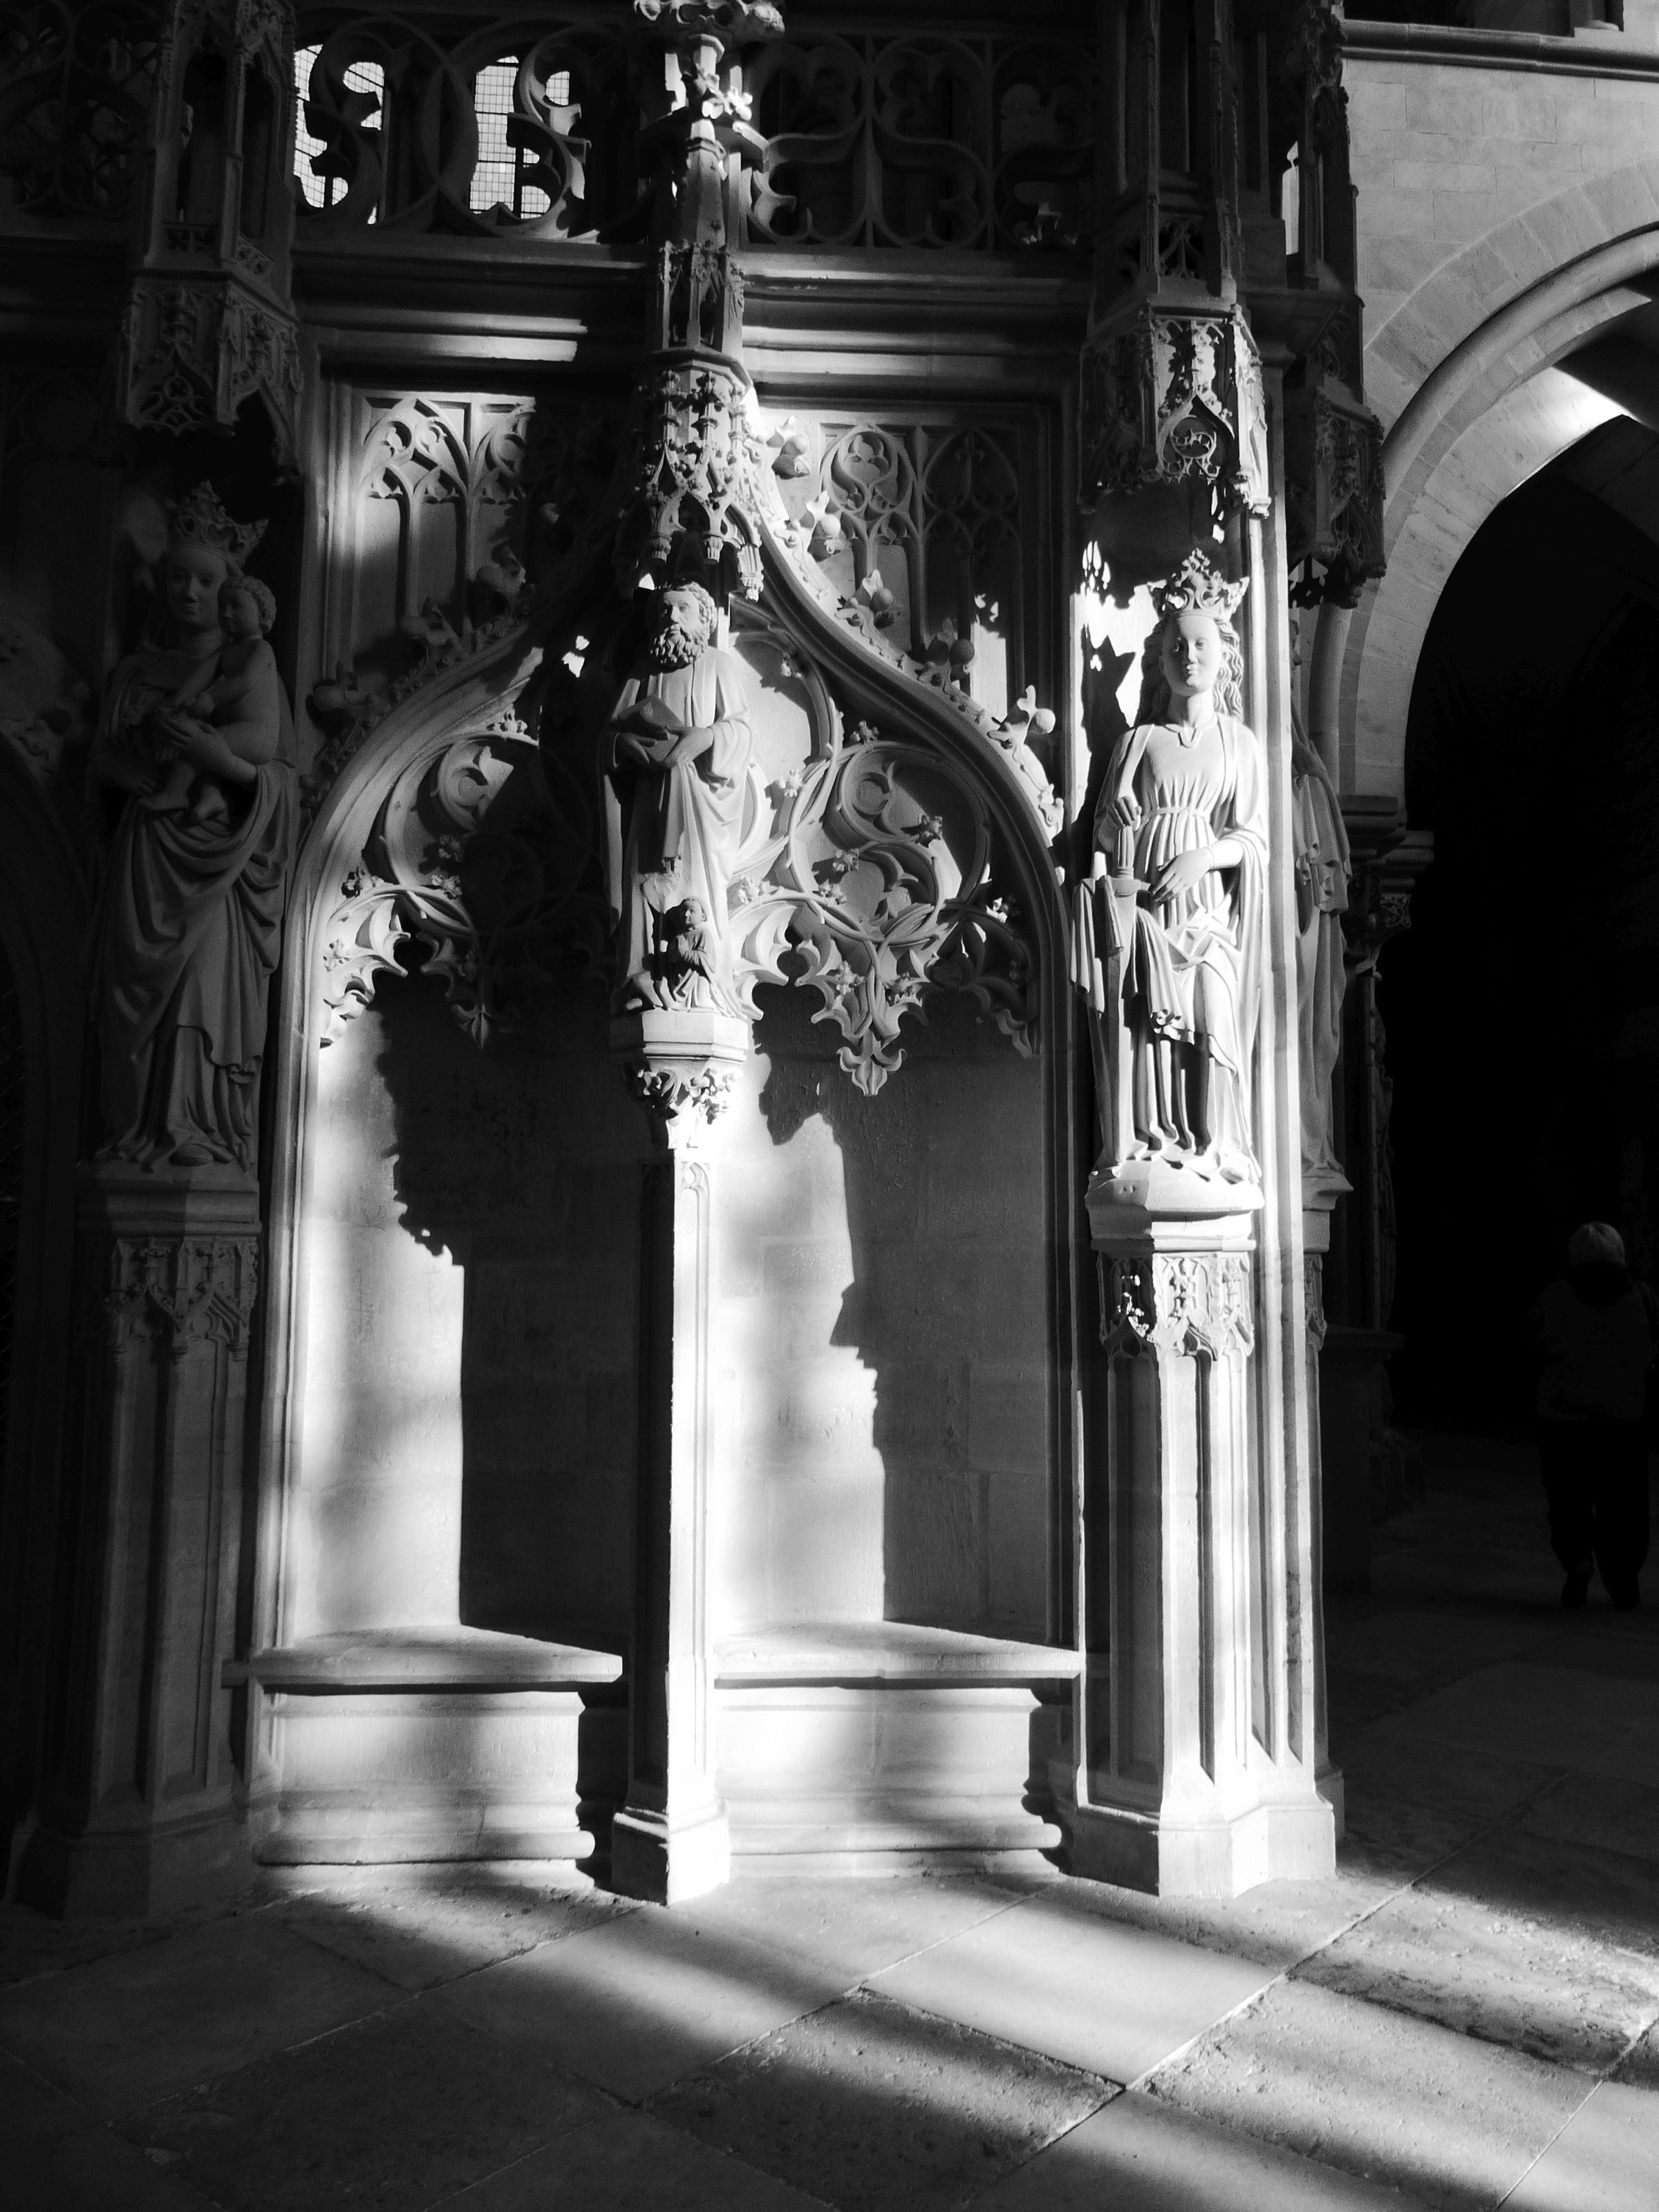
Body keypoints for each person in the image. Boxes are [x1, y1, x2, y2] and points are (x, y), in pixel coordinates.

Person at [84, 485, 296, 1172]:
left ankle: (197, 1128)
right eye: (178, 577)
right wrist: (125, 773)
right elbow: (98, 765)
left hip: (220, 872)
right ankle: (135, 1130)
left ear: (232, 593)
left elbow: (283, 782)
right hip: (147, 852)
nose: (190, 592)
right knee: (133, 997)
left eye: (206, 581)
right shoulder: (135, 675)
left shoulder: (257, 668)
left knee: (200, 993)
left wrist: (219, 760)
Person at [1083, 552, 1268, 1185]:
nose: (1188, 657)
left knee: (1213, 1015)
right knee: (1151, 1033)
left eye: (1200, 645)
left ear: (1223, 656)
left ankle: (1216, 1148)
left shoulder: (1239, 742)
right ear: (1160, 661)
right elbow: (1102, 841)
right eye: (1175, 647)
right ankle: (1156, 1145)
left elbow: (1252, 839)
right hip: (1149, 916)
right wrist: (1117, 821)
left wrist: (1202, 857)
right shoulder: (1137, 742)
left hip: (1208, 913)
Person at [601, 581, 751, 1017]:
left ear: (703, 618)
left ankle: (697, 987)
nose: (673, 618)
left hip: (697, 802)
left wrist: (707, 737)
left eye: (683, 608)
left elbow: (740, 729)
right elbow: (610, 737)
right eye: (664, 610)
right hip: (647, 801)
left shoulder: (717, 665)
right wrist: (624, 744)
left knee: (692, 883)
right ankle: (641, 975)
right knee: (642, 884)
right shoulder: (642, 671)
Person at [1528, 1223, 1658, 1609]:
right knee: (1624, 1504)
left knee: (1568, 1498)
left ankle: (1578, 1561)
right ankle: (1624, 1579)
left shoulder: (1555, 1296)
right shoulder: (1643, 1297)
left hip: (1563, 1419)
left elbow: (1530, 1343)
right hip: (1623, 1419)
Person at [142, 574, 281, 825]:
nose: (226, 613)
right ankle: (212, 796)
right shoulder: (226, 652)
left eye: (236, 606)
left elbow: (245, 680)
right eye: (222, 606)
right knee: (202, 744)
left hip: (258, 733)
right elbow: (198, 678)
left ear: (262, 614)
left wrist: (211, 698)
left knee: (196, 743)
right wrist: (174, 706)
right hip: (239, 730)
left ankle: (175, 794)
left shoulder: (261, 649)